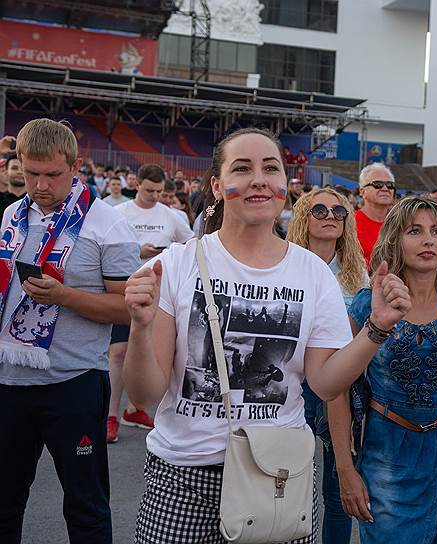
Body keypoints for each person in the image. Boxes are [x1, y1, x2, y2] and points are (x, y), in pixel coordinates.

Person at [123, 127, 412, 543]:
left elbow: (326, 382)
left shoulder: (312, 273)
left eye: (270, 168)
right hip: (183, 476)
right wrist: (141, 325)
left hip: (278, 473)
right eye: (242, 168)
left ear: (284, 187)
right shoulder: (178, 264)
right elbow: (145, 394)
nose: (258, 178)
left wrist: (376, 328)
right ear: (218, 187)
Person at [0, 118, 140, 543]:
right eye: (31, 173)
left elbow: (126, 310)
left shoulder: (108, 224)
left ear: (75, 167)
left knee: (86, 507)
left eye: (52, 175)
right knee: (5, 502)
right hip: (9, 380)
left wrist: (65, 297)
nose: (40, 185)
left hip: (73, 383)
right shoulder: (11, 214)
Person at [328, 196, 437, 542]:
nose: (428, 240)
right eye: (415, 231)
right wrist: (345, 469)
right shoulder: (367, 305)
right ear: (394, 240)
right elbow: (338, 388)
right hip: (385, 452)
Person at [286, 187, 369, 544]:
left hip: (343, 385)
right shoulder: (282, 265)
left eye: (339, 211)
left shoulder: (357, 275)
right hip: (292, 384)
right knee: (286, 482)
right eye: (319, 210)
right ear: (303, 217)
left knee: (339, 489)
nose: (330, 216)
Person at [107, 165, 195, 443]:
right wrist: (138, 250)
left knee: (154, 354)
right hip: (127, 289)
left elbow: (192, 245)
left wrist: (168, 252)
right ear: (138, 186)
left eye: (159, 191)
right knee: (119, 352)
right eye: (148, 191)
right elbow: (105, 248)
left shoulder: (172, 215)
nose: (155, 196)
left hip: (162, 294)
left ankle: (135, 409)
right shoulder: (119, 213)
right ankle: (111, 415)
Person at [355, 162, 396, 266]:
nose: (385, 189)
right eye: (377, 184)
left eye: (390, 185)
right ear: (362, 191)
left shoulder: (400, 223)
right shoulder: (349, 223)